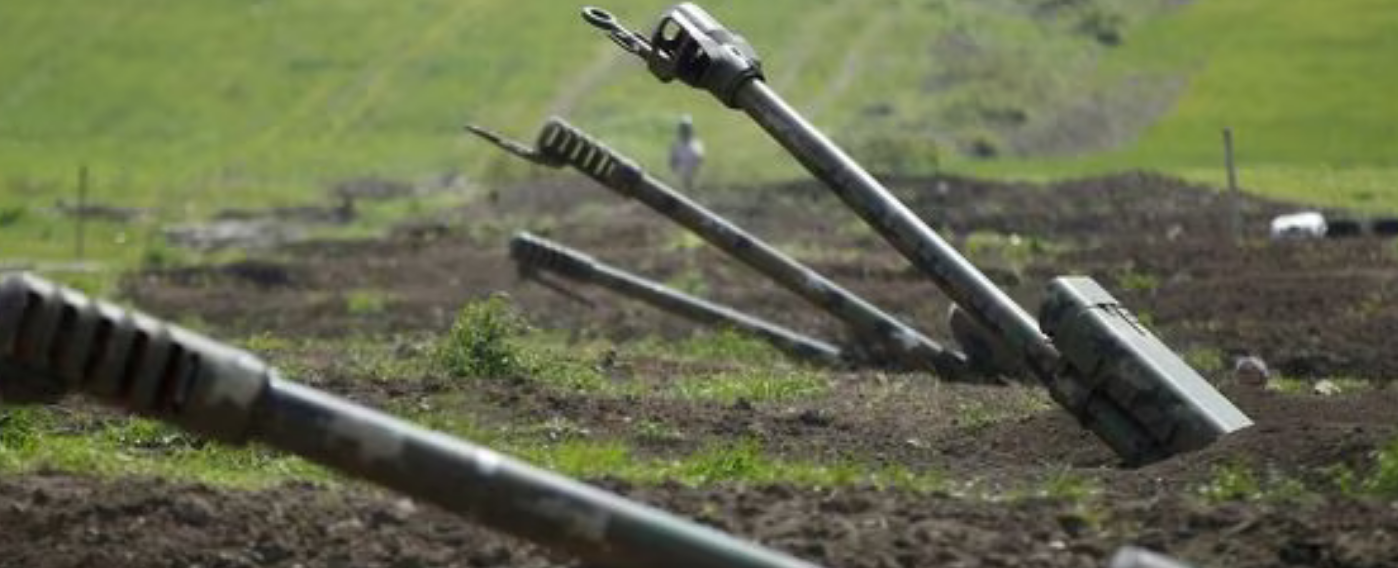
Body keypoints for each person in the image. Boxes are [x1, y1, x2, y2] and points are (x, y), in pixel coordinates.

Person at [669, 115, 704, 191]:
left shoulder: (696, 145)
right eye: (683, 128)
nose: (685, 131)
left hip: (692, 177)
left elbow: (699, 161)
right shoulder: (676, 144)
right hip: (679, 178)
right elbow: (672, 162)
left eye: (686, 128)